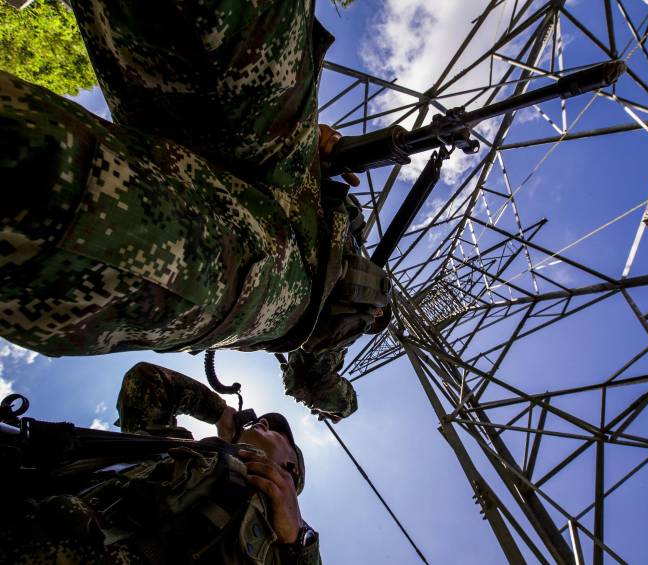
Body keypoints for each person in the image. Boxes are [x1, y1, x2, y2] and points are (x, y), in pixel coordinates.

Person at [0, 0, 390, 421]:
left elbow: (315, 384)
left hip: (283, 275)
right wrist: (324, 149)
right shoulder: (355, 229)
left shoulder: (334, 337)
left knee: (66, 195)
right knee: (238, 26)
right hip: (294, 175)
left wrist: (340, 404)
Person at [0, 361, 322, 564]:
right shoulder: (178, 445)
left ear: (291, 468)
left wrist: (298, 542)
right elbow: (147, 381)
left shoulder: (283, 533)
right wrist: (220, 412)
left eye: (277, 431)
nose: (263, 422)